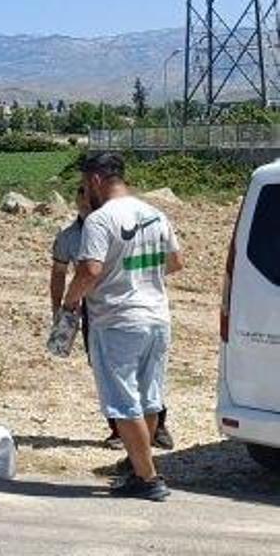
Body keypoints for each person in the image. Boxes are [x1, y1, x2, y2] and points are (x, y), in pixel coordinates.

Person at [63, 153, 184, 502]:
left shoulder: (101, 221)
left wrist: (70, 303)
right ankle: (137, 467)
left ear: (97, 181)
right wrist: (139, 274)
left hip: (117, 321)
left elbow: (89, 271)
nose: (86, 192)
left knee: (124, 402)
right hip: (157, 318)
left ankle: (148, 479)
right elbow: (176, 262)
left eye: (86, 185)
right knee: (148, 398)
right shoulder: (156, 214)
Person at [50, 187, 175, 451]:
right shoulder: (69, 237)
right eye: (80, 198)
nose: (85, 203)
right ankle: (121, 432)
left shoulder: (113, 223)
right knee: (110, 372)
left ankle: (152, 434)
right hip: (99, 310)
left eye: (88, 196)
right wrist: (59, 310)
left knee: (139, 378)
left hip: (121, 310)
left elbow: (94, 271)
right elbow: (59, 273)